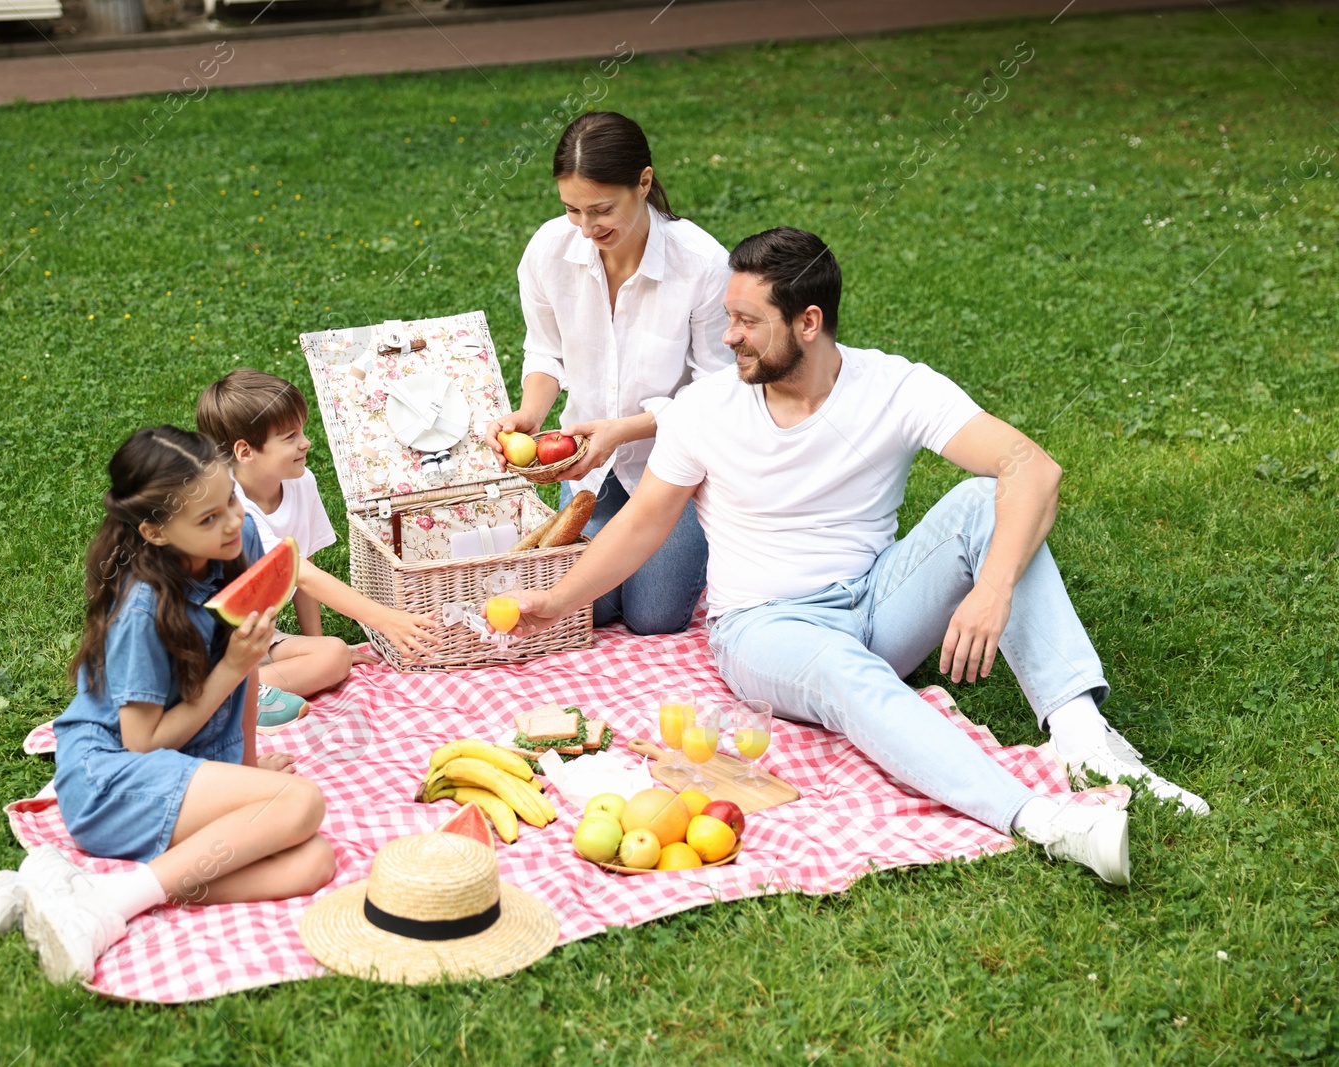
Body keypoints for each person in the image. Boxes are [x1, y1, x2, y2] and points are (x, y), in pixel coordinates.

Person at [516, 228, 1210, 886]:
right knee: (845, 672)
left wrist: (993, 587)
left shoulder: (892, 386)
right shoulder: (704, 409)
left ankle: (1082, 735)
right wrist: (556, 599)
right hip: (764, 627)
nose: (728, 336)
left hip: (877, 599)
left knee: (981, 501)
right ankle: (1043, 818)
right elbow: (640, 526)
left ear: (808, 322)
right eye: (728, 316)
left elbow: (1032, 467)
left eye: (748, 321)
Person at [0, 427, 336, 982]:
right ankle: (105, 907)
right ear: (155, 531)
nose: (233, 523)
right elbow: (142, 743)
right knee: (301, 803)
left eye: (231, 502)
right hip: (113, 778)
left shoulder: (240, 550)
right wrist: (234, 667)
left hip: (184, 766)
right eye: (208, 520)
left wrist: (243, 767)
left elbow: (240, 690)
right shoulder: (141, 610)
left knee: (315, 863)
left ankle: (85, 889)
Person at [483, 111, 731, 635]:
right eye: (572, 209)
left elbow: (718, 393)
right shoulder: (549, 251)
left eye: (601, 209)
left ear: (643, 183)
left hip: (678, 468)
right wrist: (529, 414)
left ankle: (710, 537)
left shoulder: (703, 264)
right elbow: (545, 352)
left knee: (653, 616)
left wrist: (623, 430)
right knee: (585, 610)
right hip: (586, 465)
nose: (587, 227)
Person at [196, 369, 438, 716]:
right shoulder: (230, 507)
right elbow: (299, 574)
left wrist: (317, 644)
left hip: (250, 639)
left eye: (303, 431)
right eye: (290, 436)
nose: (306, 442)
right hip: (198, 644)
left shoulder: (300, 482)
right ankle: (216, 696)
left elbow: (303, 565)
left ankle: (236, 691)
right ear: (245, 451)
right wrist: (384, 619)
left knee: (335, 656)